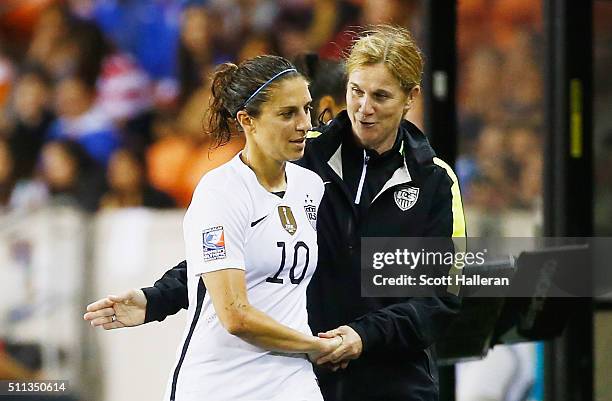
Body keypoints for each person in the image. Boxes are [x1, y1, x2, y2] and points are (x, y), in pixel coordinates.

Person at [85, 25, 466, 401]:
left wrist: (364, 336)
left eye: (381, 96)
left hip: (393, 380)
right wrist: (158, 298)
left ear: (411, 97)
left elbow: (439, 298)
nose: (364, 109)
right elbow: (234, 253)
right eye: (356, 91)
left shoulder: (434, 182)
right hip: (302, 370)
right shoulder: (304, 159)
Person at [92, 55, 342, 401]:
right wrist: (314, 345)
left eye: (306, 109)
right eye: (287, 113)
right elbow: (235, 315)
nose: (304, 124)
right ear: (247, 120)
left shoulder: (311, 187)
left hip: (290, 379)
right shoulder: (220, 192)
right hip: (220, 382)